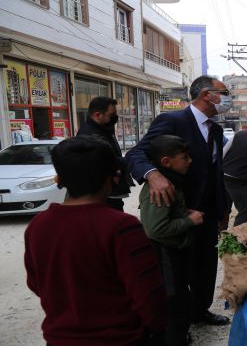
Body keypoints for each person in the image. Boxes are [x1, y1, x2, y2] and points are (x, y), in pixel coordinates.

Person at [24, 135, 167, 346]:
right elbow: (149, 297)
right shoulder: (122, 227)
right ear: (115, 177)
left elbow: (36, 283)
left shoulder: (38, 225)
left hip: (58, 339)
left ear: (59, 179)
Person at [126, 75, 231, 326]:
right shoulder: (172, 120)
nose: (227, 98)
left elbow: (215, 170)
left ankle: (200, 310)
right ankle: (177, 322)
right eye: (224, 93)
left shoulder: (215, 129)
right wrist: (153, 175)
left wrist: (222, 207)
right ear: (207, 95)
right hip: (177, 210)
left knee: (205, 265)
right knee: (176, 270)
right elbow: (137, 153)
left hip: (206, 212)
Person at [140, 135, 204, 346]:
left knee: (180, 299)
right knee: (174, 303)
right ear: (166, 162)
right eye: (184, 157)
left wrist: (183, 213)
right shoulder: (160, 187)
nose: (190, 161)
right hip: (165, 254)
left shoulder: (172, 181)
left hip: (175, 252)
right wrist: (189, 221)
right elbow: (156, 229)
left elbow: (167, 215)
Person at [76, 96, 132, 211]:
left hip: (110, 190)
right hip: (103, 193)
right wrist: (130, 160)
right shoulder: (91, 134)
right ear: (97, 115)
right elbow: (107, 160)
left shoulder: (104, 129)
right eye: (111, 115)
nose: (114, 118)